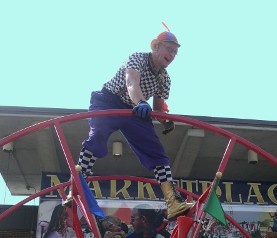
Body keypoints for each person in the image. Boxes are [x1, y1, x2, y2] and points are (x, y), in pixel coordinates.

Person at [64, 28, 192, 221]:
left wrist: (166, 120)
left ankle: (172, 201)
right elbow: (132, 83)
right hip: (110, 101)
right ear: (156, 47)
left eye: (175, 52)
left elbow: (158, 106)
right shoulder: (137, 58)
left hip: (136, 110)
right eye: (169, 49)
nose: (172, 55)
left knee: (157, 153)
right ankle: (75, 189)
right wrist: (141, 102)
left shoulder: (165, 78)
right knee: (97, 136)